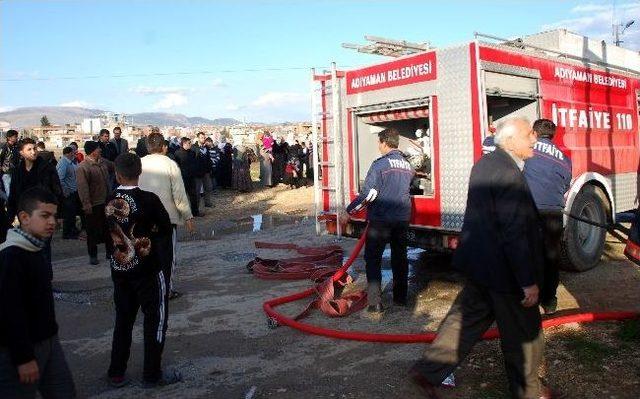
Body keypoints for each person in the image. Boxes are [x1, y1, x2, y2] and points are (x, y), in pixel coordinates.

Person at [409, 117, 552, 399]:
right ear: (510, 140)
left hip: (480, 265)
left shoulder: (486, 164)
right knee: (525, 333)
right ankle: (530, 393)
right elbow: (514, 232)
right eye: (528, 134)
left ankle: (428, 371)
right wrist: (527, 281)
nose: (533, 139)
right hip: (504, 273)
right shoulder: (508, 173)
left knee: (466, 320)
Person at [106, 153, 181, 389]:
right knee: (156, 320)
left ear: (117, 174)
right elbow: (165, 228)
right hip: (148, 271)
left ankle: (116, 372)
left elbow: (104, 234)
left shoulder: (108, 200)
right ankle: (152, 374)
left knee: (123, 321)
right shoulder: (149, 199)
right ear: (140, 173)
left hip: (120, 271)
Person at [0, 187, 76, 398]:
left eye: (54, 215)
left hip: (48, 341)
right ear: (24, 217)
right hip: (19, 352)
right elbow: (9, 312)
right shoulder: (12, 256)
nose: (52, 221)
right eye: (44, 215)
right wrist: (23, 358)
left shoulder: (34, 248)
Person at [341, 128, 415, 315]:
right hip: (402, 219)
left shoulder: (380, 165)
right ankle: (400, 299)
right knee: (400, 258)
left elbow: (369, 195)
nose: (378, 146)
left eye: (379, 143)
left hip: (381, 220)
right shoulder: (407, 165)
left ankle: (375, 303)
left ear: (383, 143)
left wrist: (349, 211)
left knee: (373, 259)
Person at [139, 132, 196, 300]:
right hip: (166, 219)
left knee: (145, 255)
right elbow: (179, 194)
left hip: (143, 219)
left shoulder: (139, 163)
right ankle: (166, 290)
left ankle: (148, 289)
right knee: (166, 256)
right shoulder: (170, 164)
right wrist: (188, 217)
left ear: (149, 147)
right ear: (164, 146)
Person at [524, 119, 572, 315]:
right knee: (551, 257)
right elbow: (567, 183)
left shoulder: (528, 150)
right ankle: (550, 301)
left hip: (531, 212)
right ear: (553, 135)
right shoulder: (564, 158)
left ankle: (530, 299)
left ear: (534, 133)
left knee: (530, 255)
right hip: (554, 212)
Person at [7, 138, 63, 266]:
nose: (33, 152)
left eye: (35, 149)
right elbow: (13, 195)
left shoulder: (47, 168)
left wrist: (58, 215)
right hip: (25, 219)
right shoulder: (17, 171)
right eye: (29, 149)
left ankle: (46, 282)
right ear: (21, 152)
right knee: (27, 252)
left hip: (43, 217)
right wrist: (9, 218)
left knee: (43, 252)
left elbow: (57, 192)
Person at [76, 140, 112, 265]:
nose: (100, 150)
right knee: (92, 231)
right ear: (92, 151)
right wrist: (86, 204)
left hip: (106, 202)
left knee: (108, 229)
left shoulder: (103, 163)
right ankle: (93, 255)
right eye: (98, 149)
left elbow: (114, 166)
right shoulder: (83, 167)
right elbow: (82, 188)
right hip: (93, 204)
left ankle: (110, 252)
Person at [57, 147, 82, 239]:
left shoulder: (70, 162)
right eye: (72, 153)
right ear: (68, 153)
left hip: (73, 192)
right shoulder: (63, 163)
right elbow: (60, 179)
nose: (73, 155)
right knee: (68, 215)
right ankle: (67, 233)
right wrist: (66, 192)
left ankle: (72, 230)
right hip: (68, 194)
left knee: (72, 214)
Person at [173, 137, 199, 217]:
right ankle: (181, 213)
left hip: (191, 177)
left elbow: (194, 163)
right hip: (182, 178)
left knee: (193, 196)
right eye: (189, 143)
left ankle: (195, 212)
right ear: (184, 144)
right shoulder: (177, 153)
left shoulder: (192, 153)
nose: (190, 145)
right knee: (181, 197)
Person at [192, 132, 213, 208]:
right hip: (198, 172)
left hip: (206, 171)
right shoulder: (194, 147)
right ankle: (196, 207)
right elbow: (193, 160)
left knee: (208, 187)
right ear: (198, 138)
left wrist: (210, 168)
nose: (203, 139)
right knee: (197, 190)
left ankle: (207, 202)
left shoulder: (206, 148)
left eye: (204, 137)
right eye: (201, 137)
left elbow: (208, 159)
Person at [0, 129, 20, 196]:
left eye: (17, 136)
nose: (17, 138)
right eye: (15, 136)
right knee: (9, 192)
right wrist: (2, 168)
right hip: (6, 173)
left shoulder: (16, 147)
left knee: (14, 191)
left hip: (15, 172)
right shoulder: (4, 147)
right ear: (9, 138)